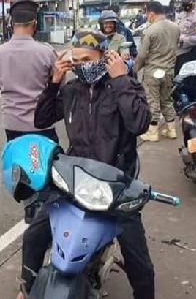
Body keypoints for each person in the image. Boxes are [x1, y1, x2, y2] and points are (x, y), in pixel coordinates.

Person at [15, 31, 154, 299]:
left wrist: (121, 79)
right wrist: (54, 82)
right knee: (34, 235)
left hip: (115, 184)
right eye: (76, 60)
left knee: (139, 261)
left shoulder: (125, 85)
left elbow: (140, 124)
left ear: (105, 56)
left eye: (87, 59)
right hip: (75, 179)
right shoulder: (72, 90)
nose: (82, 66)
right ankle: (27, 287)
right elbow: (41, 119)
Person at [0, 0, 59, 223]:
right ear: (34, 23)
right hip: (42, 124)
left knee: (21, 168)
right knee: (47, 166)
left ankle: (29, 206)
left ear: (12, 23)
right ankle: (46, 209)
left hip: (13, 124)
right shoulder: (46, 52)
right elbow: (57, 84)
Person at [134, 1, 180, 142]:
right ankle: (171, 129)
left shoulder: (150, 30)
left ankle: (153, 132)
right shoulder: (175, 27)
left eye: (147, 14)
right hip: (168, 71)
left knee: (152, 100)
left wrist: (135, 69)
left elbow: (142, 55)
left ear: (151, 13)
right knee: (166, 99)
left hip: (153, 71)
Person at [175, 0, 196, 75]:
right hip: (176, 52)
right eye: (183, 2)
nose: (185, 4)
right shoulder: (181, 15)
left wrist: (184, 40)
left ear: (194, 2)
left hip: (189, 53)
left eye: (187, 2)